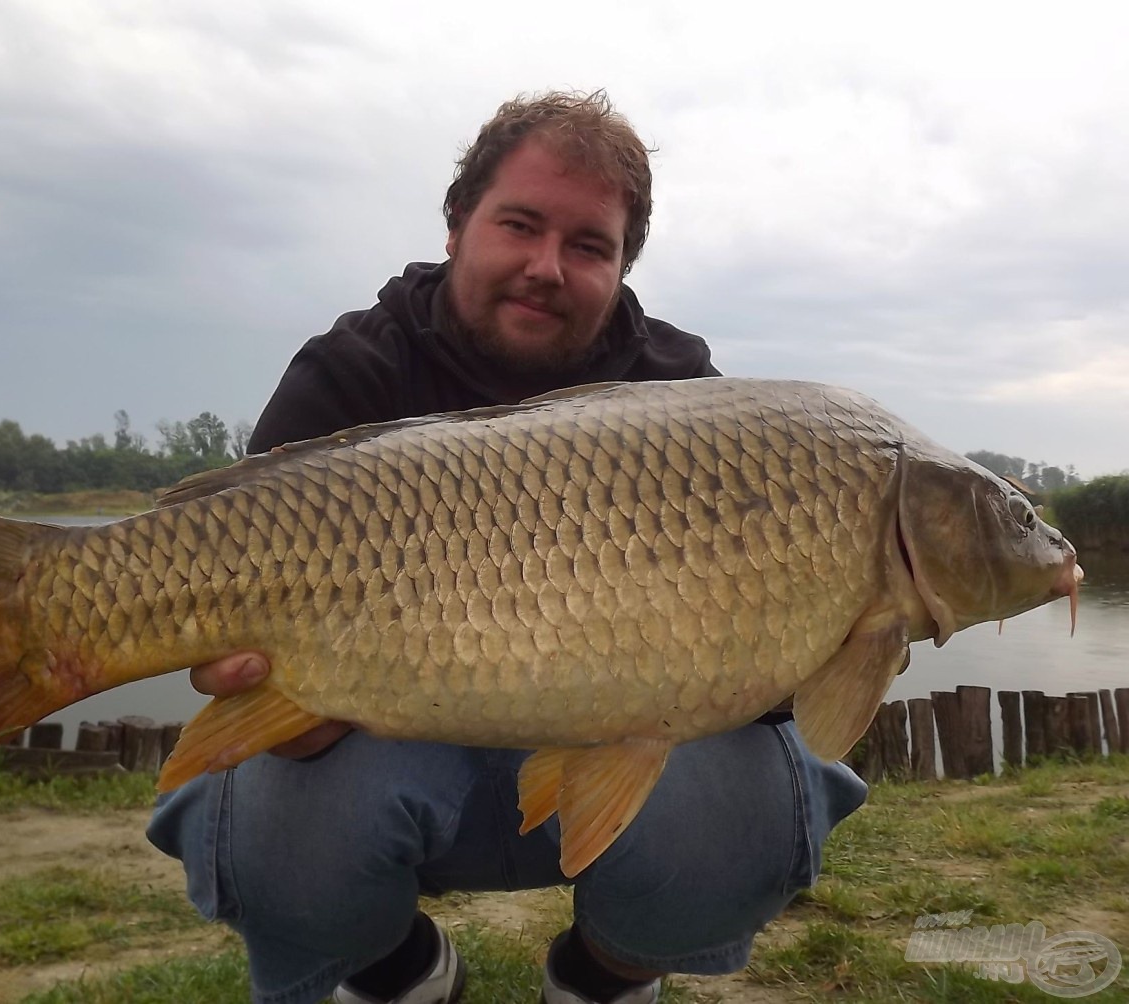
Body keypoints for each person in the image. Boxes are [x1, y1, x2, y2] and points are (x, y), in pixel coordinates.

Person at [148, 90, 868, 1004]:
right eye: (519, 225)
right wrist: (271, 693)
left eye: (587, 246)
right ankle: (396, 969)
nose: (546, 267)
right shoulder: (353, 371)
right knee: (270, 820)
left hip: (611, 744)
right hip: (394, 756)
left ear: (621, 265)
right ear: (457, 226)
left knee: (753, 804)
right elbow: (262, 685)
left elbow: (768, 703)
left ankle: (605, 975)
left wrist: (821, 625)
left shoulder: (683, 398)